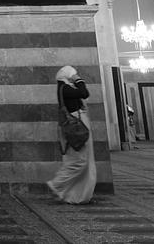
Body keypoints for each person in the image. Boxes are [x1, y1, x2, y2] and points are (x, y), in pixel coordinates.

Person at [46, 65, 96, 204]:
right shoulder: (65, 88)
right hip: (76, 126)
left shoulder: (65, 88)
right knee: (79, 161)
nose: (74, 76)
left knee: (81, 160)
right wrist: (78, 80)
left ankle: (75, 195)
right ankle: (56, 185)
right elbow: (84, 93)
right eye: (73, 74)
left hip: (77, 124)